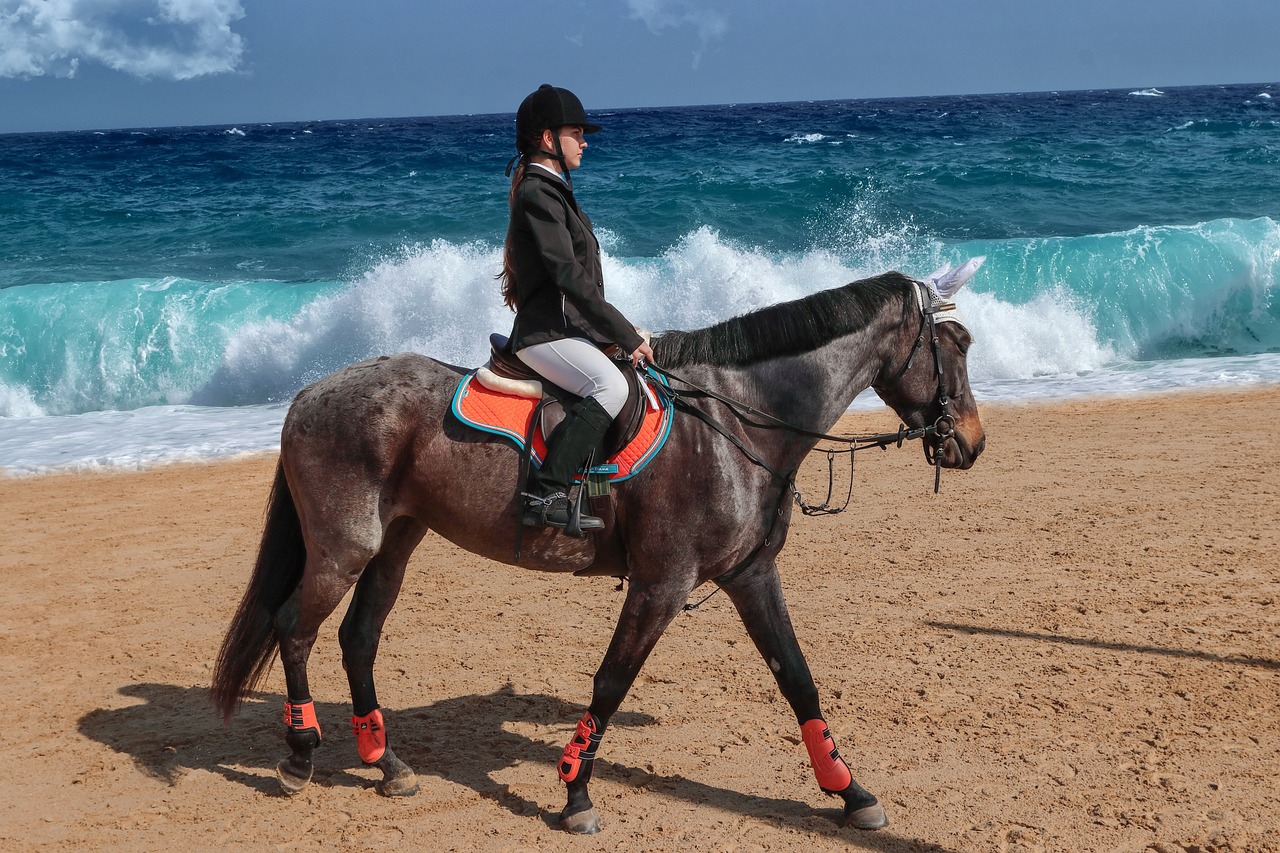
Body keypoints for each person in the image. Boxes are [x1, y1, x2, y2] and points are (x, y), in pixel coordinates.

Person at [499, 84, 655, 534]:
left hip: (567, 329)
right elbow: (569, 277)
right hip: (544, 334)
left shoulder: (553, 190)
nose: (585, 140)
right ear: (548, 138)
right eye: (576, 132)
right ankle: (543, 493)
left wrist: (614, 333)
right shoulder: (538, 192)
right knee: (610, 387)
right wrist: (625, 335)